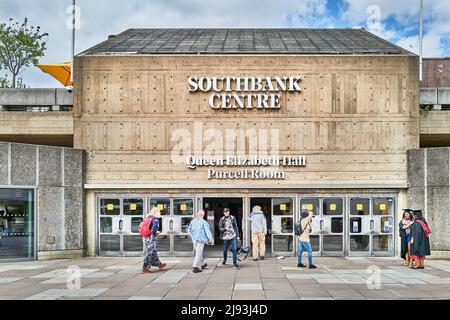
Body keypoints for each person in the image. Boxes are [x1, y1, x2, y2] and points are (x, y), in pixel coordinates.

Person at [142, 207, 167, 273]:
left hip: (146, 237)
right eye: (159, 211)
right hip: (151, 238)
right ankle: (145, 268)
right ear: (157, 212)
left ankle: (159, 264)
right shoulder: (155, 220)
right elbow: (153, 230)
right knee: (150, 252)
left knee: (153, 251)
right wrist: (157, 232)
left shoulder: (148, 218)